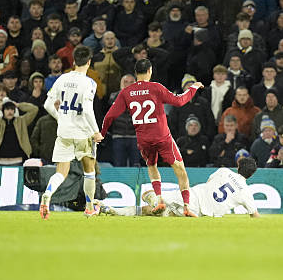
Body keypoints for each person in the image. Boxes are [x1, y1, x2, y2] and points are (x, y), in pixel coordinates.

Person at [100, 59, 204, 217]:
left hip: (143, 140)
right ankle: (186, 207)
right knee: (180, 170)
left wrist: (102, 133)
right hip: (162, 137)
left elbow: (110, 115)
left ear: (136, 74)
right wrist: (193, 88)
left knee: (152, 167)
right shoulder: (156, 88)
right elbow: (179, 101)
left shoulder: (126, 92)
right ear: (150, 71)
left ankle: (159, 199)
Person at [39, 46, 103, 219]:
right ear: (89, 62)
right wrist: (96, 132)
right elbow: (88, 110)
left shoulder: (62, 79)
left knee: (61, 172)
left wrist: (61, 118)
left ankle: (48, 194)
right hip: (83, 133)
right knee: (89, 171)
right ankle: (89, 207)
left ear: (74, 61)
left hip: (64, 132)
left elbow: (47, 105)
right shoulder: (89, 82)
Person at [99, 157, 260, 218]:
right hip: (200, 214)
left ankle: (155, 202)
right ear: (251, 175)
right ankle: (156, 206)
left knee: (148, 194)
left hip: (192, 196)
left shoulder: (224, 171)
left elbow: (210, 182)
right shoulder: (246, 192)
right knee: (155, 214)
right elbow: (255, 216)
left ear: (238, 166)